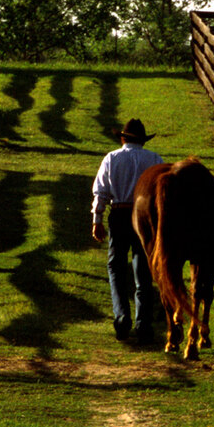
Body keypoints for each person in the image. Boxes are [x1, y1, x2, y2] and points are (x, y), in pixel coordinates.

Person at [92, 118, 166, 342]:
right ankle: (143, 322)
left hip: (120, 213)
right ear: (143, 141)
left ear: (123, 138)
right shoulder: (154, 159)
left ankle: (121, 316)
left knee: (116, 267)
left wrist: (97, 219)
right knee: (142, 269)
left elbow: (101, 191)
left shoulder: (112, 158)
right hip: (144, 217)